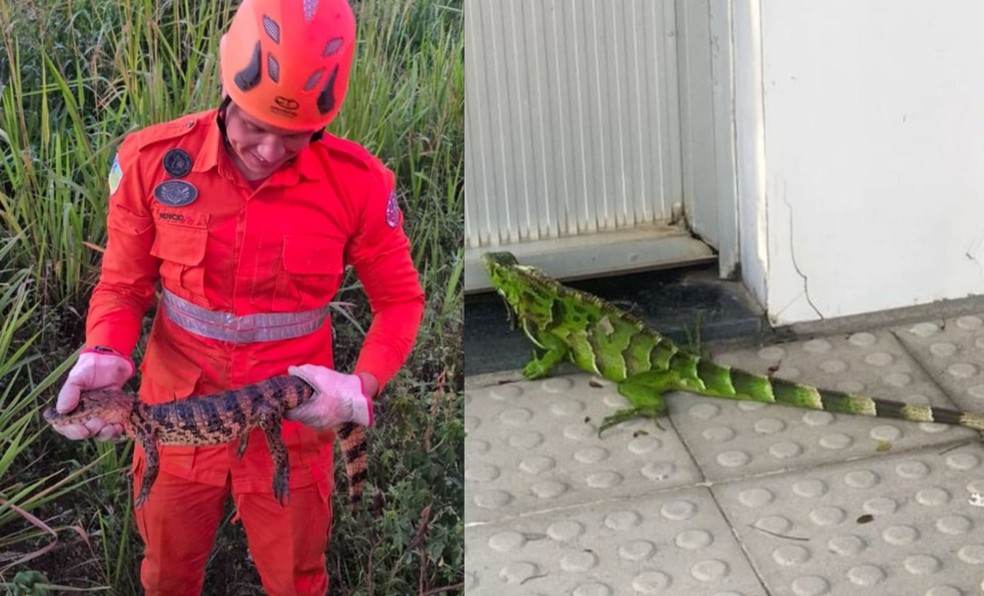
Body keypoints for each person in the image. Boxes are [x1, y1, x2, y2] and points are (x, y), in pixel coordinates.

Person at [50, 0, 425, 593]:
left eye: (296, 135)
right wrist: (105, 351)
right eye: (255, 126)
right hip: (174, 412)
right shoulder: (152, 163)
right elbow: (122, 285)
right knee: (168, 573)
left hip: (295, 421)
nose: (271, 151)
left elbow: (401, 302)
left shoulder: (358, 183)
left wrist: (360, 387)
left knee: (297, 579)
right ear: (229, 89)